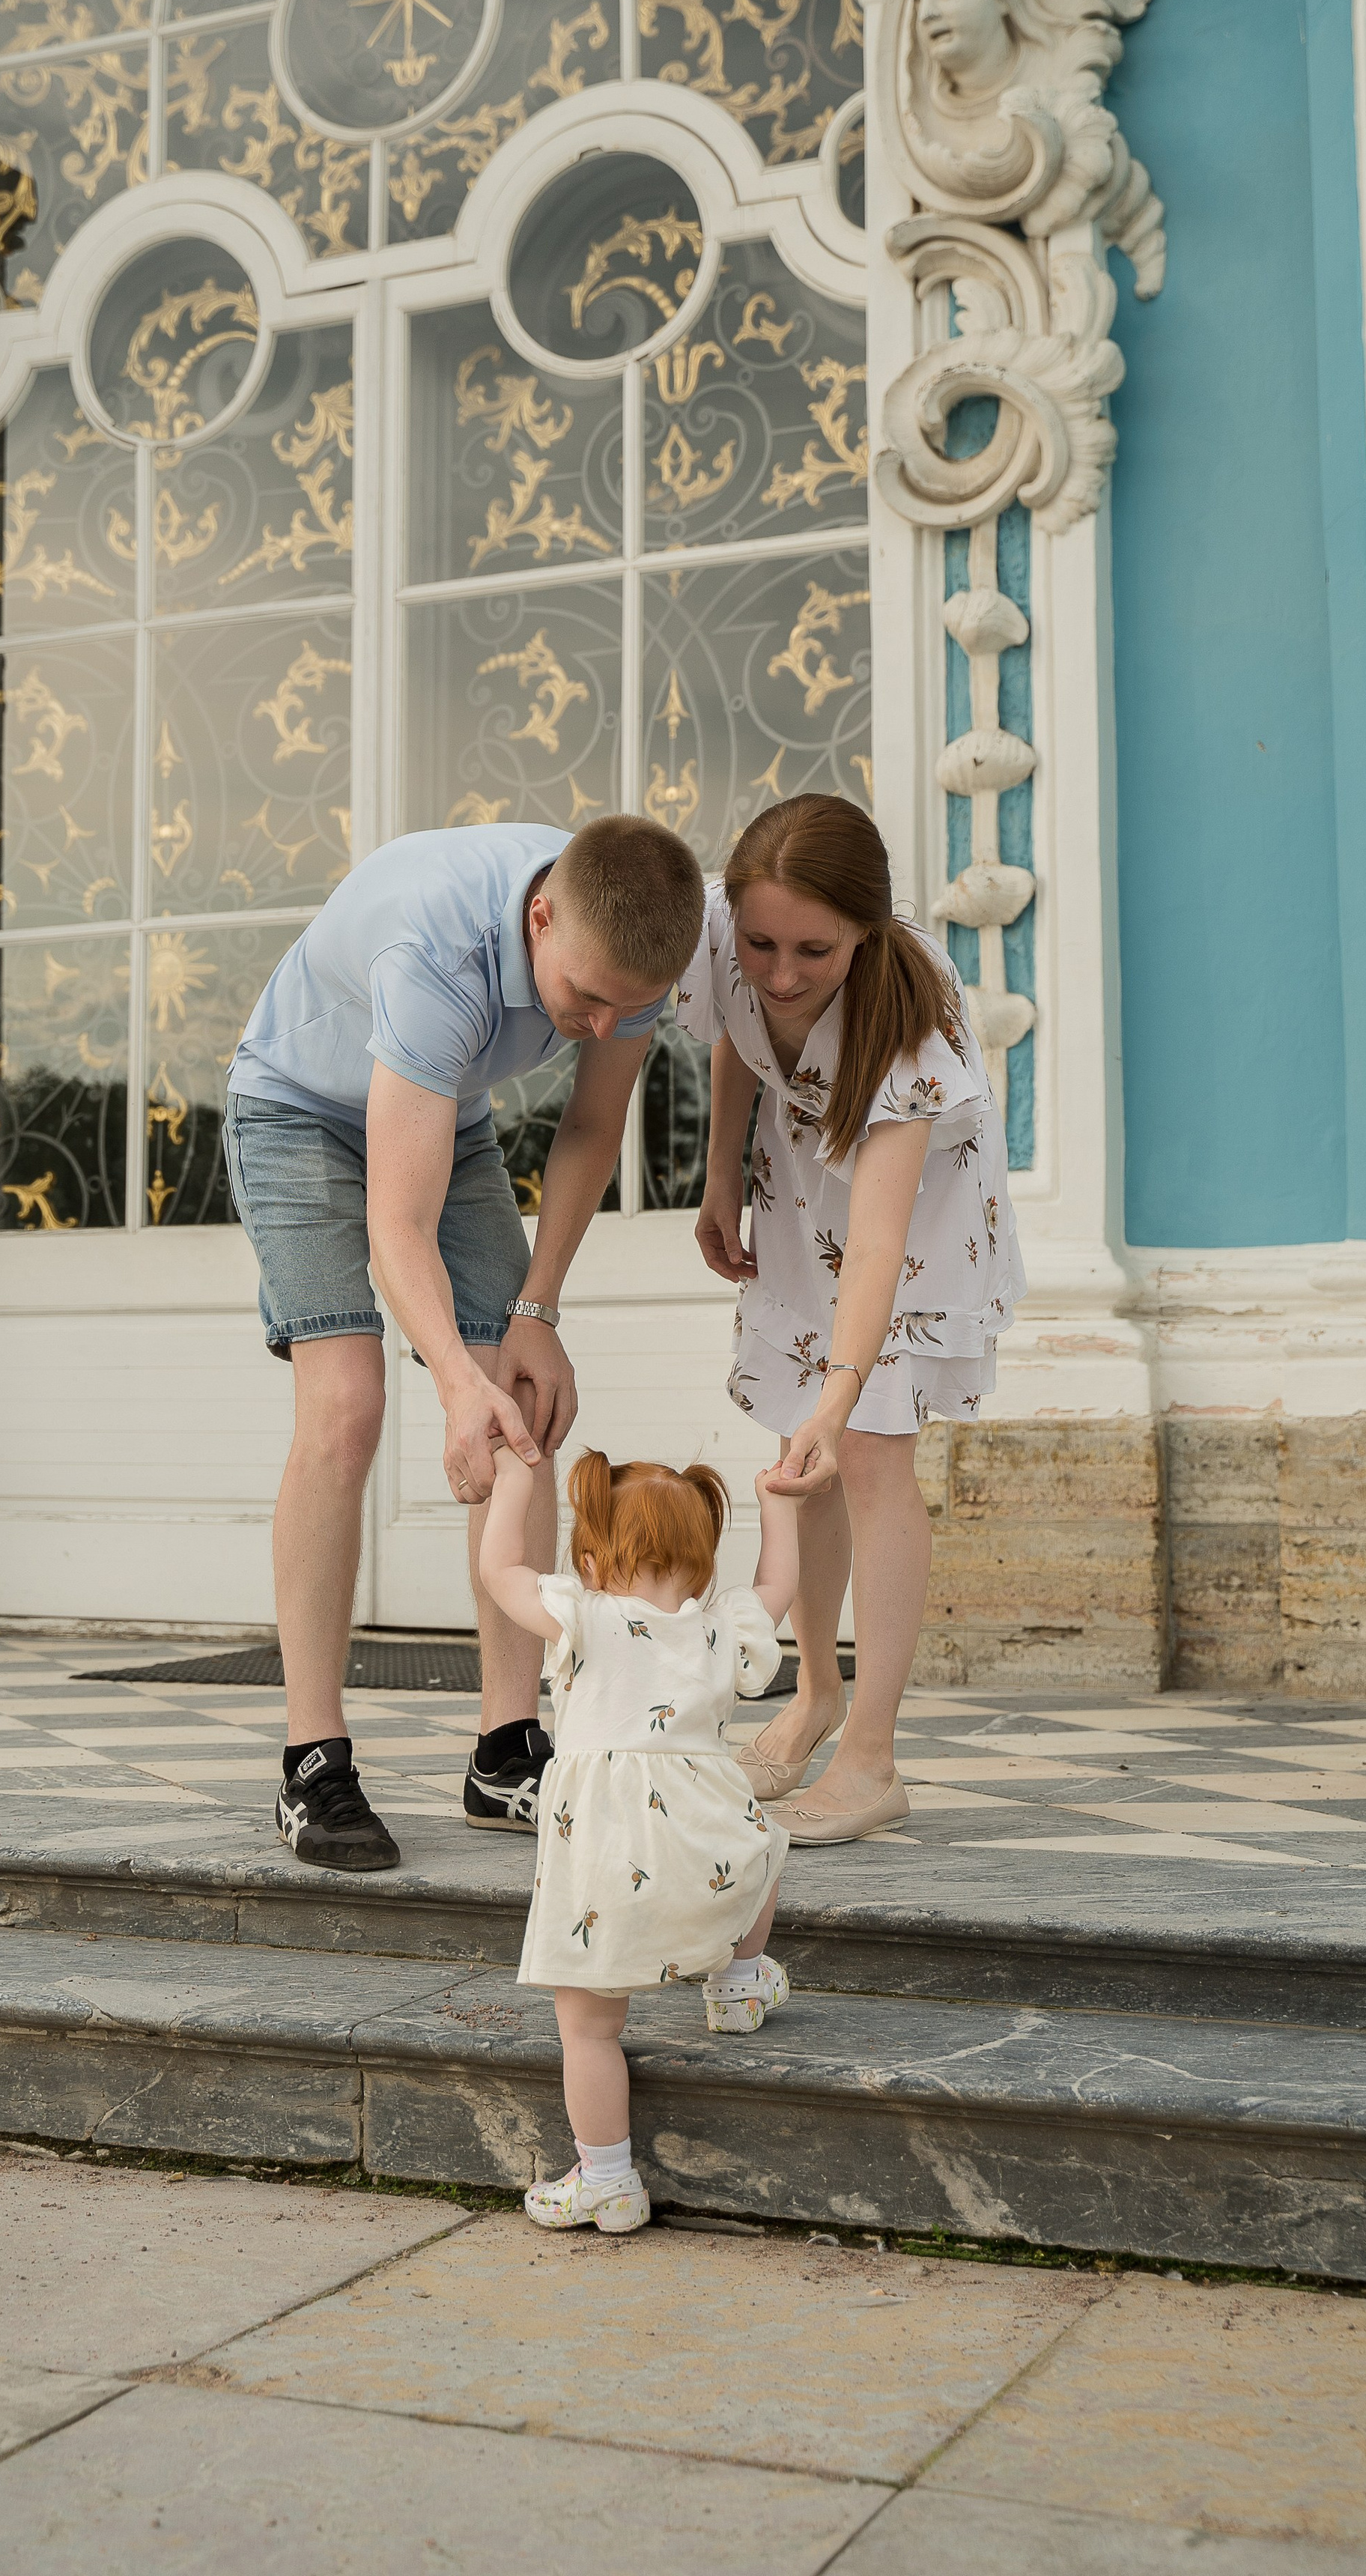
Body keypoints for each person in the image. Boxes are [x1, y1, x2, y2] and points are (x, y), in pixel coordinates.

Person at [224, 816, 705, 1873]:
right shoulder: (436, 950)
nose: (599, 1024)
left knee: (518, 1394)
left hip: (445, 1112)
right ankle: (313, 1761)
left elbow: (587, 1133)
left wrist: (537, 1314)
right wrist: (454, 1383)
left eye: (629, 1008)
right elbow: (398, 1229)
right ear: (540, 917)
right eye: (583, 999)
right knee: (348, 1407)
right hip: (296, 1112)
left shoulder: (631, 954)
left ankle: (505, 1750)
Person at [683, 793, 1023, 1844]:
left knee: (867, 1451)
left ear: (866, 930)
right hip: (799, 1189)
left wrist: (840, 1397)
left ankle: (872, 1755)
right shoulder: (721, 941)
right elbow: (741, 1036)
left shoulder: (909, 1026)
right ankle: (815, 1696)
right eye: (762, 943)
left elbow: (878, 1246)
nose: (782, 973)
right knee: (806, 1449)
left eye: (815, 951)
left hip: (912, 1222)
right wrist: (719, 1176)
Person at [479, 1442, 798, 2236]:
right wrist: (780, 1503)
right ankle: (737, 1982)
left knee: (588, 2028)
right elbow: (778, 1587)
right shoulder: (720, 1626)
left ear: (588, 1557)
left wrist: (516, 1483)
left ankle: (609, 2180)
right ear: (701, 1560)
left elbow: (498, 1572)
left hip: (604, 1857)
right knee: (765, 1850)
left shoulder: (580, 1614)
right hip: (708, 1839)